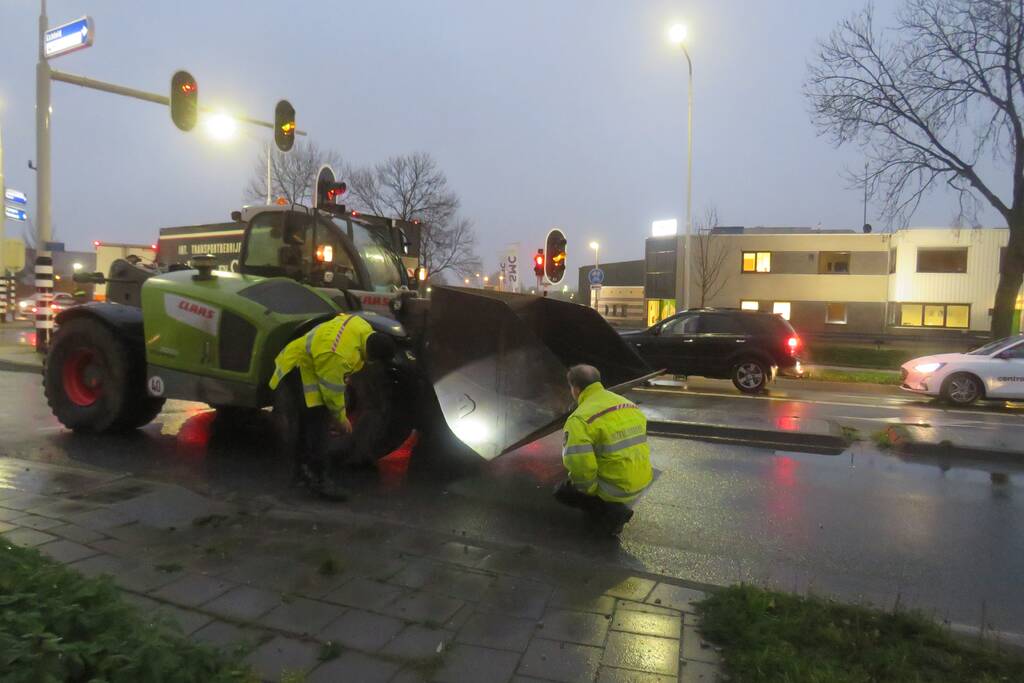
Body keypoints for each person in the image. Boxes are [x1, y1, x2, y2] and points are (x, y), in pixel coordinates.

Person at [269, 311, 394, 499]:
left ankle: (302, 473)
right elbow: (332, 395)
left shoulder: (362, 326)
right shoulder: (337, 355)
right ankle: (320, 481)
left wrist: (344, 375)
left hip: (309, 361)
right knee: (317, 423)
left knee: (308, 422)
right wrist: (342, 420)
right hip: (297, 368)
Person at [555, 364, 653, 535]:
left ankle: (611, 513)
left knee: (563, 491)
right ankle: (612, 507)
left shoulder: (579, 419)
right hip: (643, 479)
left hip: (616, 490)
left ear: (576, 389)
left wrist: (590, 491)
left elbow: (580, 466)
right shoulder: (628, 404)